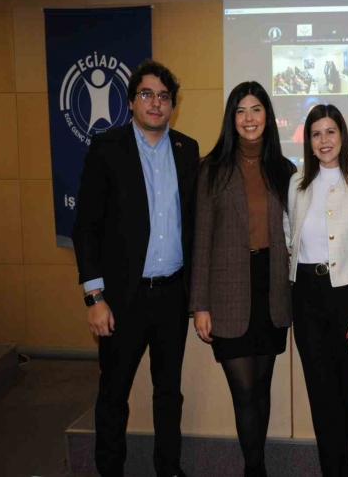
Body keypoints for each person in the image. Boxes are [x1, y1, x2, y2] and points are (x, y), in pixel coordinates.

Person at [73, 59, 199, 477]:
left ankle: (169, 468)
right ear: (131, 101)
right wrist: (94, 296)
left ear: (172, 105)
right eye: (147, 94)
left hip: (172, 295)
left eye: (164, 96)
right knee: (114, 394)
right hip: (121, 298)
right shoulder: (107, 148)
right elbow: (86, 227)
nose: (156, 103)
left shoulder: (187, 150)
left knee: (169, 393)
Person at [190, 81, 295, 477]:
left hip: (272, 290)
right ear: (231, 119)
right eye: (241, 111)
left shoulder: (285, 170)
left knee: (262, 387)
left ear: (267, 115)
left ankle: (257, 465)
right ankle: (254, 468)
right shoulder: (212, 169)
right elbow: (202, 240)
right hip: (227, 295)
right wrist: (200, 305)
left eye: (256, 109)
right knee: (244, 391)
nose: (249, 118)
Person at [285, 104, 348, 476]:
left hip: (345, 297)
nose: (324, 141)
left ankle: (341, 468)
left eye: (330, 132)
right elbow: (289, 237)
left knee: (344, 393)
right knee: (320, 394)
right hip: (306, 296)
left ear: (342, 135)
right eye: (316, 134)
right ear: (308, 141)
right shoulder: (296, 184)